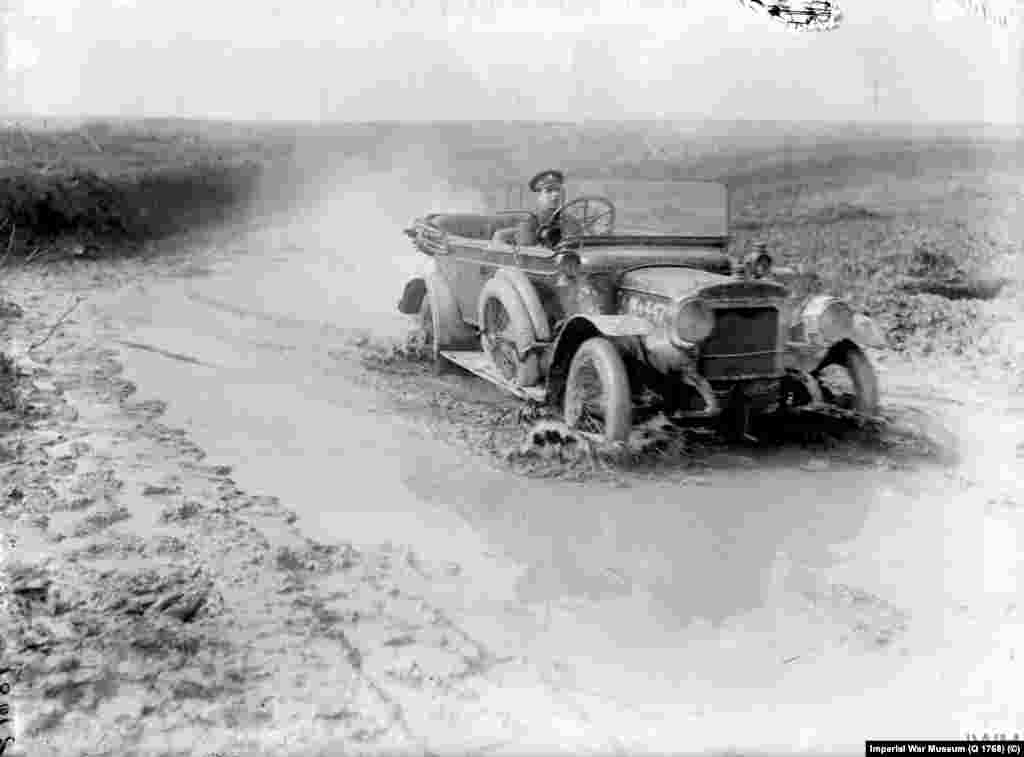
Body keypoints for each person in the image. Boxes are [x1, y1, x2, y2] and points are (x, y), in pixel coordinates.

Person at [493, 169, 574, 247]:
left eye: (557, 190)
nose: (555, 194)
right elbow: (528, 255)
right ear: (539, 196)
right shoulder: (529, 223)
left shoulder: (569, 220)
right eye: (549, 191)